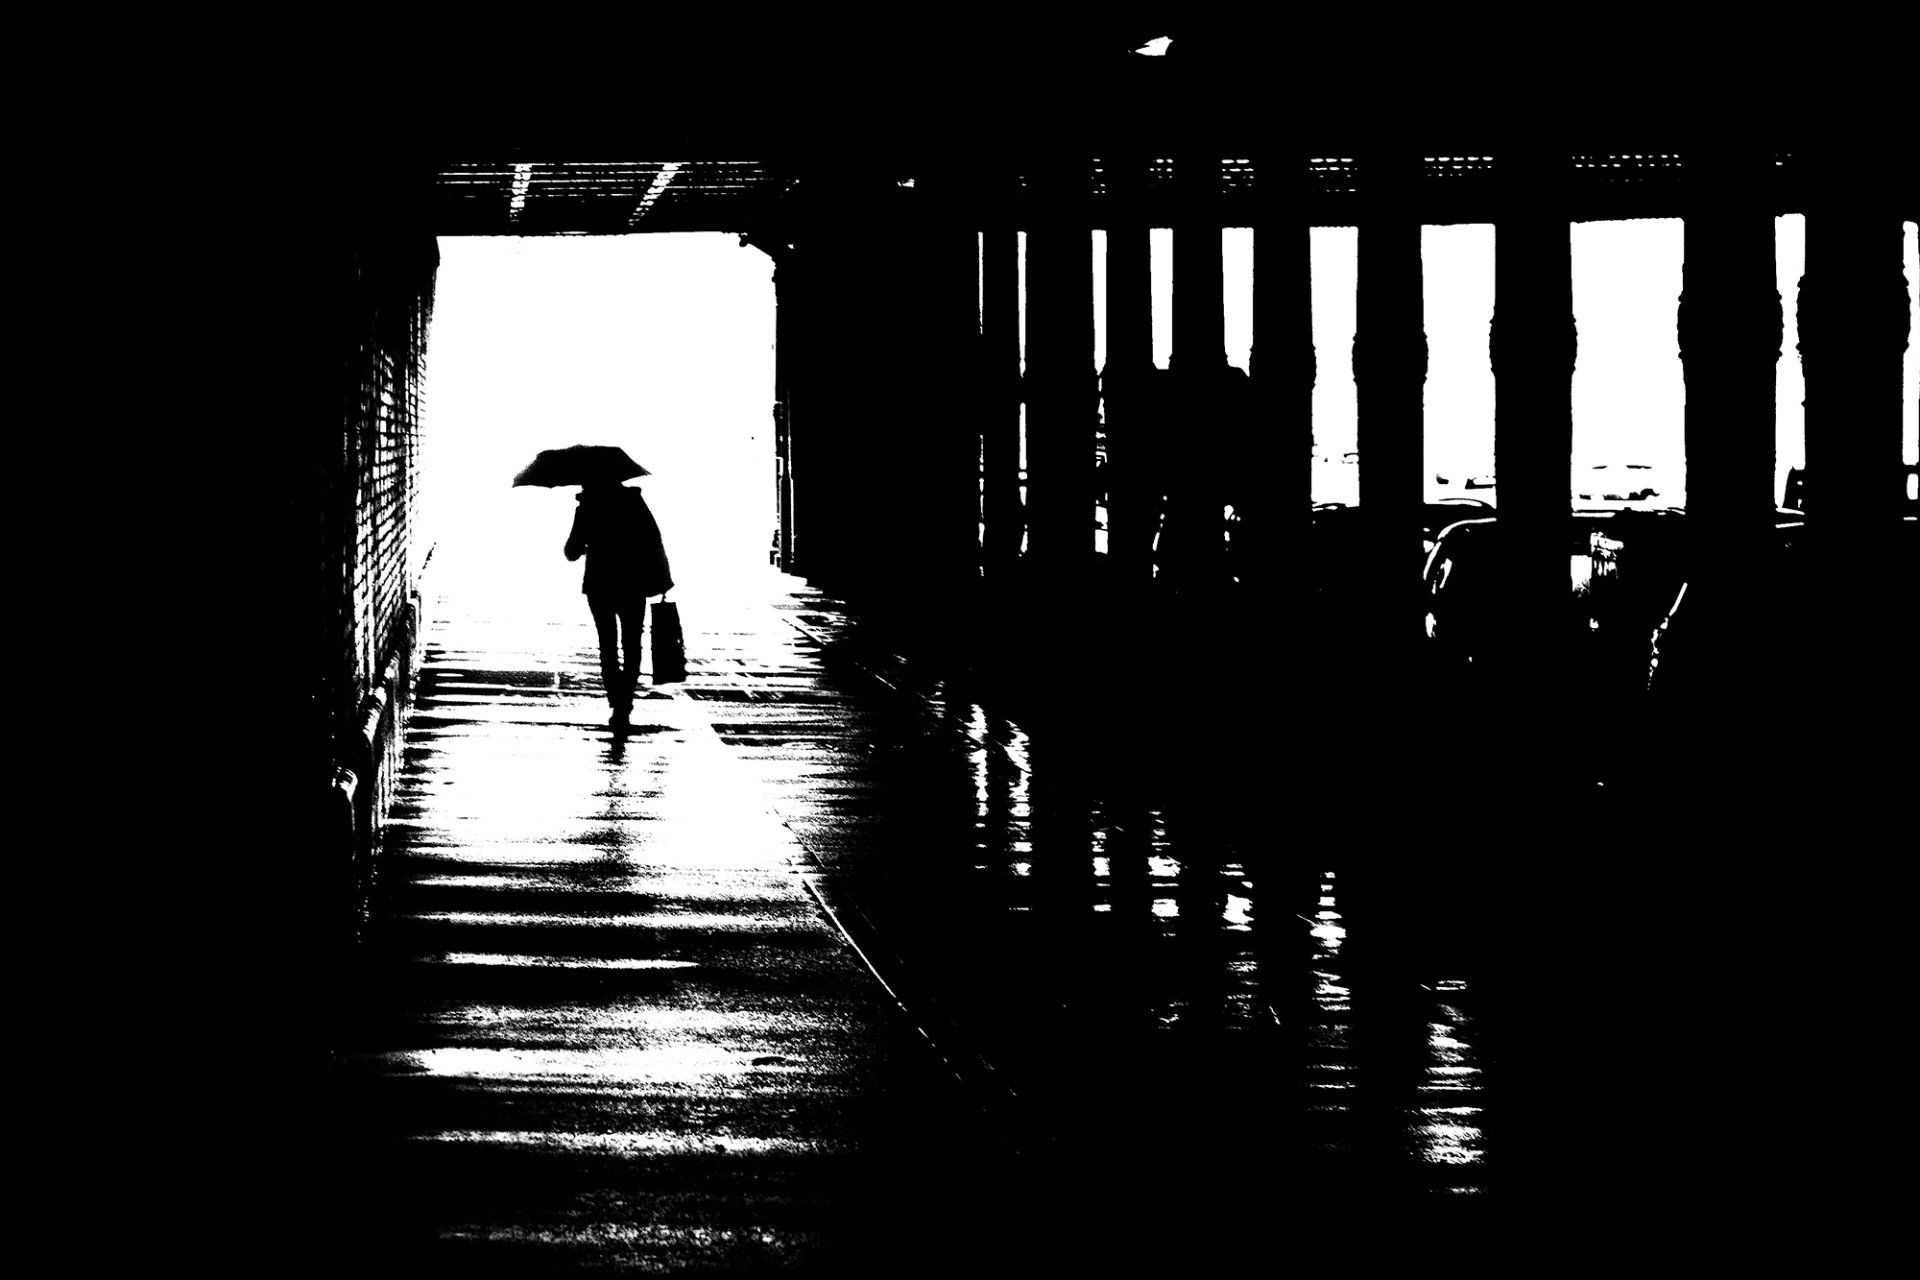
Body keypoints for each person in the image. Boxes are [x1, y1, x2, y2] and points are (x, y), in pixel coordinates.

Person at [564, 479, 673, 728]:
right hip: (633, 582)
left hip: (599, 583)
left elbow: (571, 551)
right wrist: (662, 578)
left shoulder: (587, 507)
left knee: (607, 644)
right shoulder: (635, 503)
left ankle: (616, 698)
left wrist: (587, 546)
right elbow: (654, 539)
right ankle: (625, 701)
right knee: (632, 643)